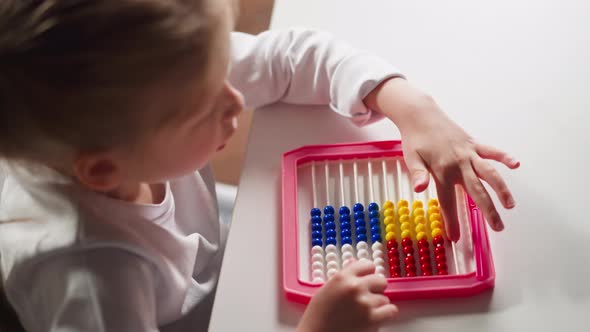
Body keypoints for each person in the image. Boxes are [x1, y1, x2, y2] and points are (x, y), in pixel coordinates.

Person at [0, 0, 519, 331]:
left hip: (211, 254)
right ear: (103, 171)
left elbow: (286, 59)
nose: (235, 101)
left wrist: (412, 107)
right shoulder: (91, 284)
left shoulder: (147, 96)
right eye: (206, 104)